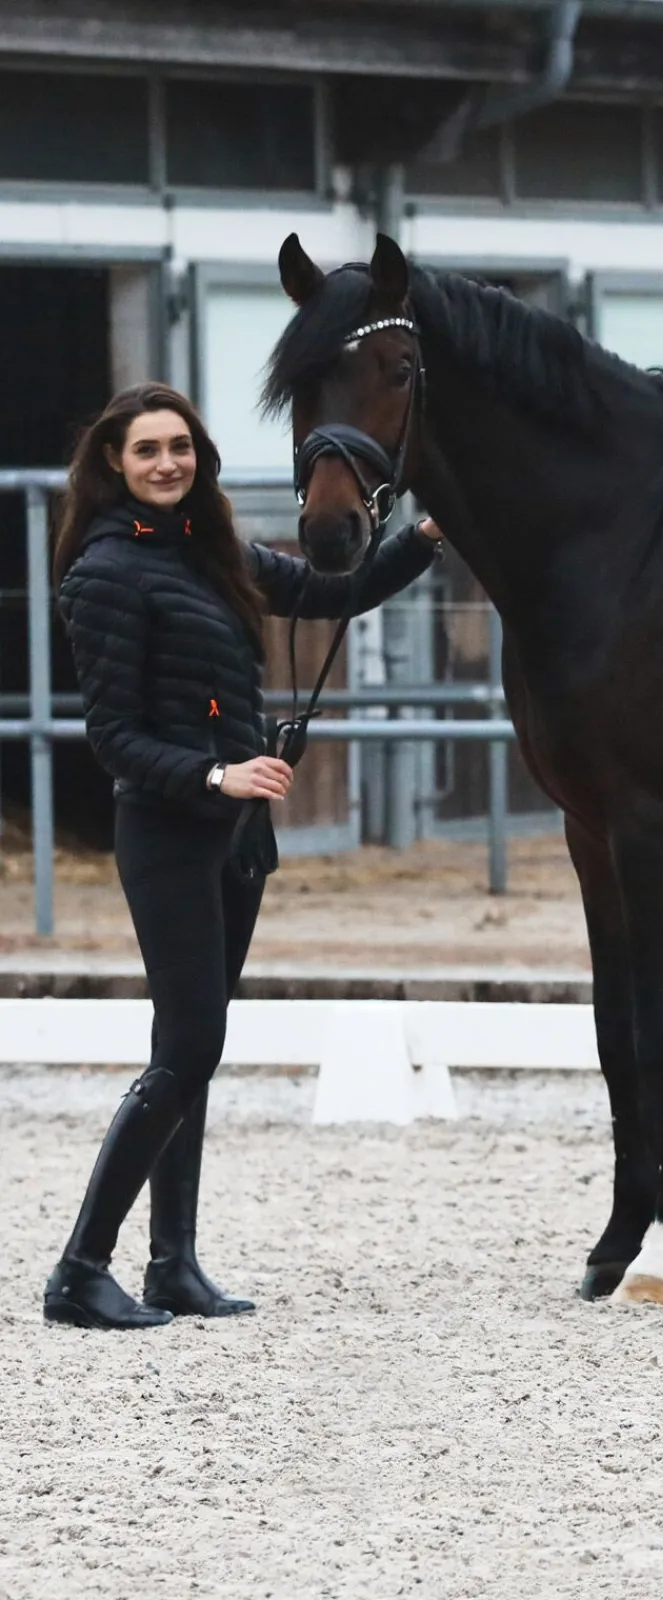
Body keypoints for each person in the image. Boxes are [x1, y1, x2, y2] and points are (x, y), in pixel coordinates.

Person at [44, 382, 443, 1330]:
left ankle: (172, 1263)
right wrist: (216, 779)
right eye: (148, 451)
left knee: (197, 1049)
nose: (168, 464)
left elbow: (334, 592)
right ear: (115, 463)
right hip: (172, 831)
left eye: (180, 447)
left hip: (235, 839)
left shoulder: (213, 550)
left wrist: (429, 536)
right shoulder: (103, 573)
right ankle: (78, 1270)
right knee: (187, 1045)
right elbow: (111, 737)